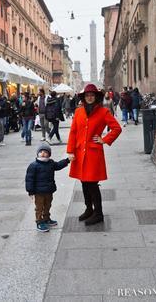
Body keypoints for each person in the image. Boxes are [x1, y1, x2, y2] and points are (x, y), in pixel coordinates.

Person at [66, 84, 122, 225]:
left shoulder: (103, 112)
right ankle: (88, 209)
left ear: (96, 97)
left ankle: (98, 213)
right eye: (87, 95)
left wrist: (104, 139)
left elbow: (116, 128)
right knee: (83, 182)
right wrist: (70, 151)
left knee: (92, 184)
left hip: (93, 153)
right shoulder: (78, 112)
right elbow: (73, 132)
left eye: (92, 95)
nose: (89, 97)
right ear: (84, 97)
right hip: (79, 153)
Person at [25, 143, 70, 232]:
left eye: (45, 152)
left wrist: (67, 160)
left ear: (49, 154)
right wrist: (30, 191)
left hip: (49, 190)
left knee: (48, 205)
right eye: (41, 151)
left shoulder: (51, 163)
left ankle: (46, 218)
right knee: (39, 207)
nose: (43, 153)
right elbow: (29, 179)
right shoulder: (33, 165)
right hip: (39, 192)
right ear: (37, 153)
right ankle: (39, 221)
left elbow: (58, 165)